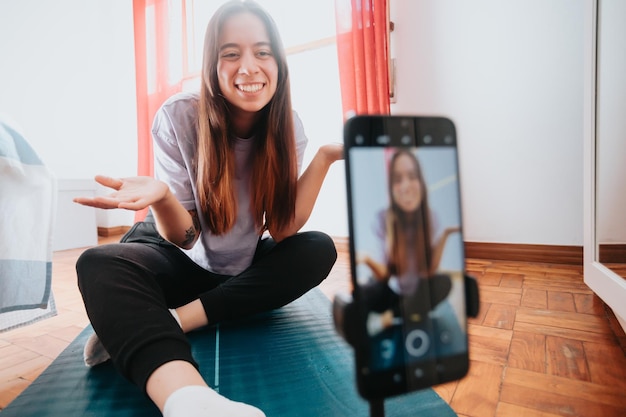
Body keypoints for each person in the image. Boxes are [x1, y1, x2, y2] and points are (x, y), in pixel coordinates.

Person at [73, 1, 342, 416]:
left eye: (262, 51)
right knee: (99, 262)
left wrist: (325, 157)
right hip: (175, 251)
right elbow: (185, 236)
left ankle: (174, 320)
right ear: (212, 66)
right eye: (231, 53)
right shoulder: (179, 115)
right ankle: (189, 400)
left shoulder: (289, 125)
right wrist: (163, 196)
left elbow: (284, 230)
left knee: (319, 248)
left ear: (279, 63)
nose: (248, 67)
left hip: (239, 265)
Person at [356, 149, 459, 336]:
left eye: (412, 176)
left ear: (421, 182)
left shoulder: (430, 217)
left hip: (415, 292)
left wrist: (444, 235)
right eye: (397, 179)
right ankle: (407, 313)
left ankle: (394, 315)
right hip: (390, 289)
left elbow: (428, 272)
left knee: (444, 283)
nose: (405, 186)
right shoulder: (381, 218)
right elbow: (386, 275)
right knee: (362, 292)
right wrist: (372, 255)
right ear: (391, 187)